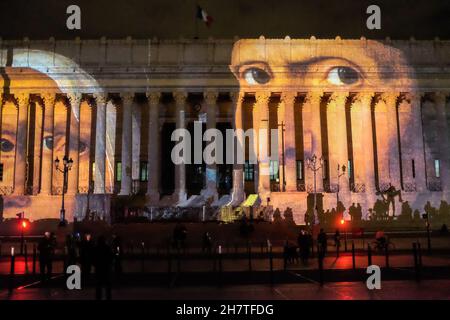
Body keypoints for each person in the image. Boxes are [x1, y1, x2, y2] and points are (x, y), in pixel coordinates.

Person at [94, 236, 114, 300]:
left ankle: (98, 297)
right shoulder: (107, 248)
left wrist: (96, 265)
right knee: (107, 285)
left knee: (98, 286)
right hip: (106, 269)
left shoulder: (96, 248)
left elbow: (93, 258)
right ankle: (108, 297)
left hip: (99, 269)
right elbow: (111, 257)